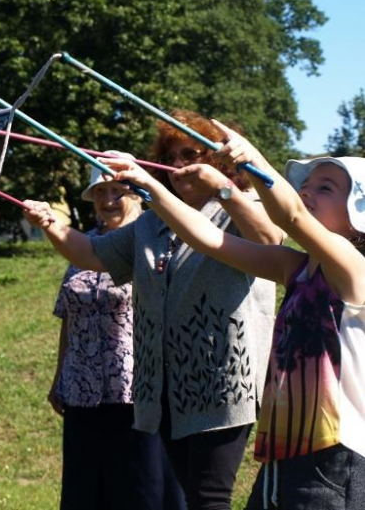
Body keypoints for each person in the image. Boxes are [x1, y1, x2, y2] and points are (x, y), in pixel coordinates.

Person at [24, 110, 284, 510]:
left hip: (222, 382)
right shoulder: (152, 224)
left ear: (215, 159)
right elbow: (91, 252)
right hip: (164, 387)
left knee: (209, 497)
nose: (178, 164)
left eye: (189, 154)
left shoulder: (238, 207)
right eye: (170, 156)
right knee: (188, 493)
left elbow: (269, 238)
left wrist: (222, 187)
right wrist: (50, 224)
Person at [98, 122, 365, 509]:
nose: (307, 191)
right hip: (286, 454)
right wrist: (146, 184)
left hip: (336, 457)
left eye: (325, 188)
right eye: (306, 185)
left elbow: (291, 216)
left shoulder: (354, 270)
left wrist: (252, 160)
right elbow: (207, 238)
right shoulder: (297, 268)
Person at [49, 152, 186, 510]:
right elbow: (68, 317)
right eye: (100, 192)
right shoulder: (81, 246)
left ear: (137, 194)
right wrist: (59, 377)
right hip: (81, 388)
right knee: (87, 490)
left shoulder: (155, 240)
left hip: (136, 389)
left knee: (139, 487)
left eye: (116, 191)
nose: (108, 200)